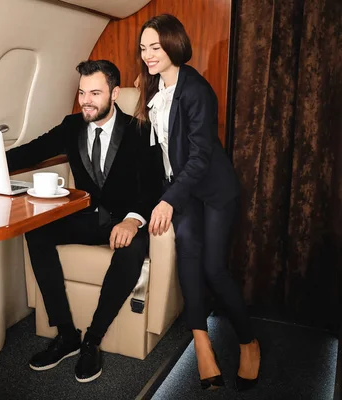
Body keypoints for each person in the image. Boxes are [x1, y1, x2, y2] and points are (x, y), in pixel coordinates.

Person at [6, 60, 162, 383]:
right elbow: (31, 152)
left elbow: (152, 187)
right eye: (81, 92)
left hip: (125, 221)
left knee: (132, 251)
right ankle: (66, 335)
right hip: (87, 218)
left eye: (94, 93)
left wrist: (133, 222)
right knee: (35, 229)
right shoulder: (71, 125)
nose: (86, 100)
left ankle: (92, 340)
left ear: (115, 93)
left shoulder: (141, 131)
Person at [136, 14, 261, 391]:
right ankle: (202, 343)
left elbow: (200, 156)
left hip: (214, 191)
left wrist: (167, 201)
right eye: (143, 48)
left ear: (174, 44)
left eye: (155, 47)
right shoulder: (152, 86)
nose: (147, 55)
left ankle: (247, 341)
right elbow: (159, 153)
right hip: (183, 192)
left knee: (213, 270)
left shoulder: (197, 91)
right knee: (188, 259)